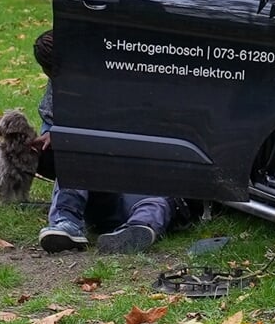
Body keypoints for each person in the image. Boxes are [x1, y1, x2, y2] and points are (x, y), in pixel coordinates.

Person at [30, 30, 178, 254]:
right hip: (100, 189)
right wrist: (55, 135)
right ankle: (66, 225)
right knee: (74, 152)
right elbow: (53, 143)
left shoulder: (128, 77)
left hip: (142, 182)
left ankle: (136, 230)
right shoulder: (58, 97)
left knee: (159, 200)